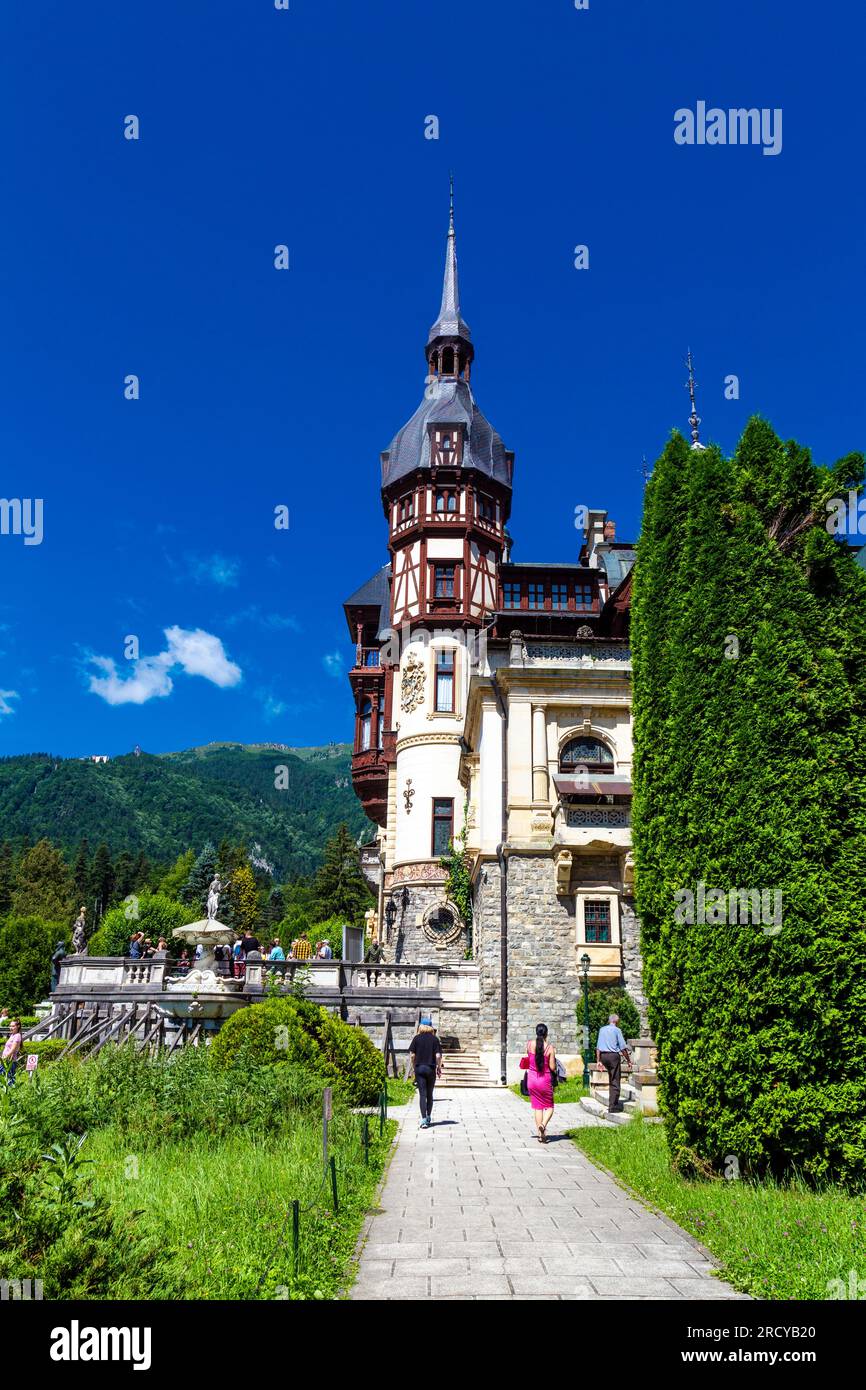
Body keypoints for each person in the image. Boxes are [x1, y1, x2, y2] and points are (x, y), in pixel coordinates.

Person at [521, 1023, 556, 1142]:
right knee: (550, 1107)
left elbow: (530, 1059)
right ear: (546, 1033)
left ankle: (541, 1135)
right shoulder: (549, 1048)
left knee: (537, 1107)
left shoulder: (529, 1044)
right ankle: (543, 1125)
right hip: (544, 1080)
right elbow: (552, 1067)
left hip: (532, 1079)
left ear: (536, 1032)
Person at [408, 1016, 443, 1129]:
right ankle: (428, 1117)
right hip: (430, 1069)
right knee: (430, 1094)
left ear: (421, 1026)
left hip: (419, 1068)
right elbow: (437, 1055)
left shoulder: (416, 1038)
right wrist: (438, 1067)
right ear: (431, 1027)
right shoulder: (435, 1039)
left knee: (422, 1095)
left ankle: (423, 1120)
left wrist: (414, 1067)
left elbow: (412, 1055)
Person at [596, 1014, 631, 1114]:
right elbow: (623, 1048)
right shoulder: (617, 1030)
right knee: (615, 1080)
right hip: (613, 1057)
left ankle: (612, 1102)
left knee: (611, 1079)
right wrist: (628, 1060)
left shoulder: (602, 1030)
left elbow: (598, 1047)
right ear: (617, 1021)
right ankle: (613, 1106)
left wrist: (598, 1061)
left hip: (603, 1056)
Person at [1, 1020, 22, 1088]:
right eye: (10, 1026)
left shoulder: (17, 1035)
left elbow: (13, 1049)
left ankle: (10, 1094)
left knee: (10, 1079)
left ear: (18, 1026)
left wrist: (5, 1057)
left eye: (13, 1026)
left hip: (10, 1061)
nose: (11, 1028)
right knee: (5, 1077)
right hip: (5, 1060)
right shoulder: (12, 1035)